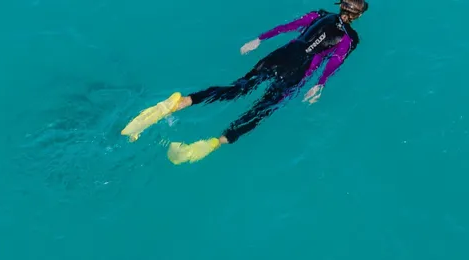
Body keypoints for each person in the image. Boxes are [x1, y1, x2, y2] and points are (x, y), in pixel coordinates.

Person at [119, 0, 368, 165]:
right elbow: (333, 62)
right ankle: (211, 144)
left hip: (280, 56)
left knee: (235, 89)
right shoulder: (350, 39)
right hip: (297, 71)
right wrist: (320, 84)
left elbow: (288, 27)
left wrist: (258, 39)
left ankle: (180, 102)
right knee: (258, 112)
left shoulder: (319, 14)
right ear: (357, 17)